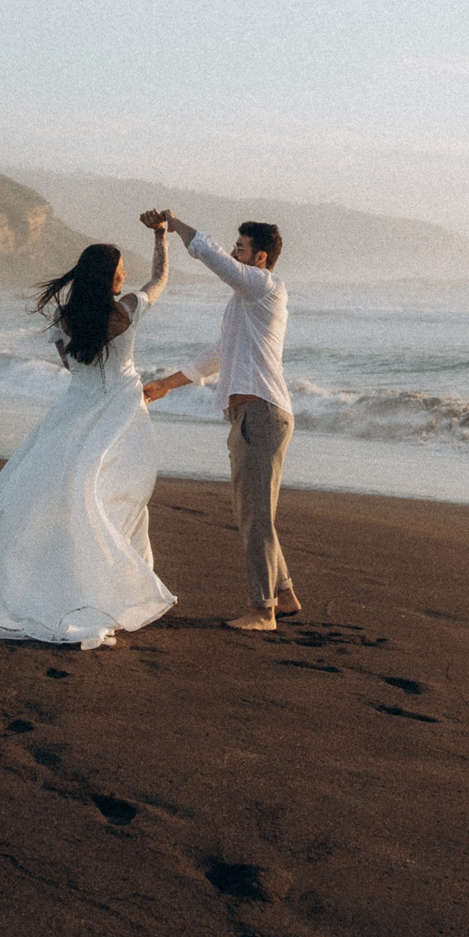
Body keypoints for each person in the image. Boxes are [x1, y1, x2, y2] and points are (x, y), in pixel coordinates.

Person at [0, 230, 176, 649]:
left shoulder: (66, 319)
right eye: (120, 271)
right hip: (121, 414)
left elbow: (70, 366)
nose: (124, 277)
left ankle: (67, 581)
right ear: (108, 278)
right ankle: (108, 587)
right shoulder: (128, 309)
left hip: (72, 412)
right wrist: (161, 237)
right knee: (115, 496)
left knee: (55, 494)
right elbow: (160, 278)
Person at [140, 211, 300, 632]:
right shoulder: (244, 303)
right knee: (253, 511)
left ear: (260, 257)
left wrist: (175, 223)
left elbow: (210, 255)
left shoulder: (264, 286)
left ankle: (263, 611)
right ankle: (283, 594)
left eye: (241, 248)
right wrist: (166, 385)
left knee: (256, 516)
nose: (233, 252)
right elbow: (216, 355)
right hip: (250, 415)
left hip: (262, 414)